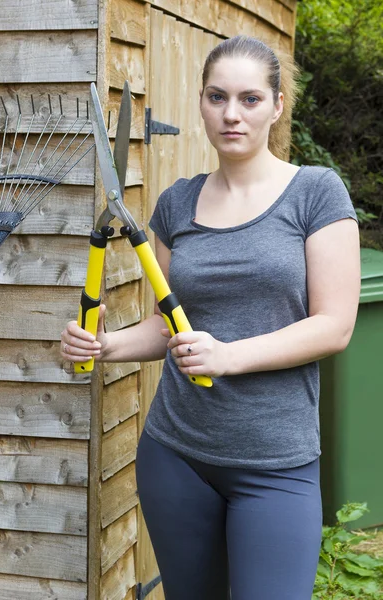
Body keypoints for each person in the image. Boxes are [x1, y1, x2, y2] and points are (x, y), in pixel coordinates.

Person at [61, 36, 360, 600]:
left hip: (276, 463)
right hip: (176, 455)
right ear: (201, 102)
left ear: (276, 105)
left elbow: (335, 325)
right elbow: (167, 326)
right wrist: (106, 345)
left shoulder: (315, 193)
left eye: (250, 99)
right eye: (217, 96)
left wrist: (229, 356)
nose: (231, 114)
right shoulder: (177, 203)